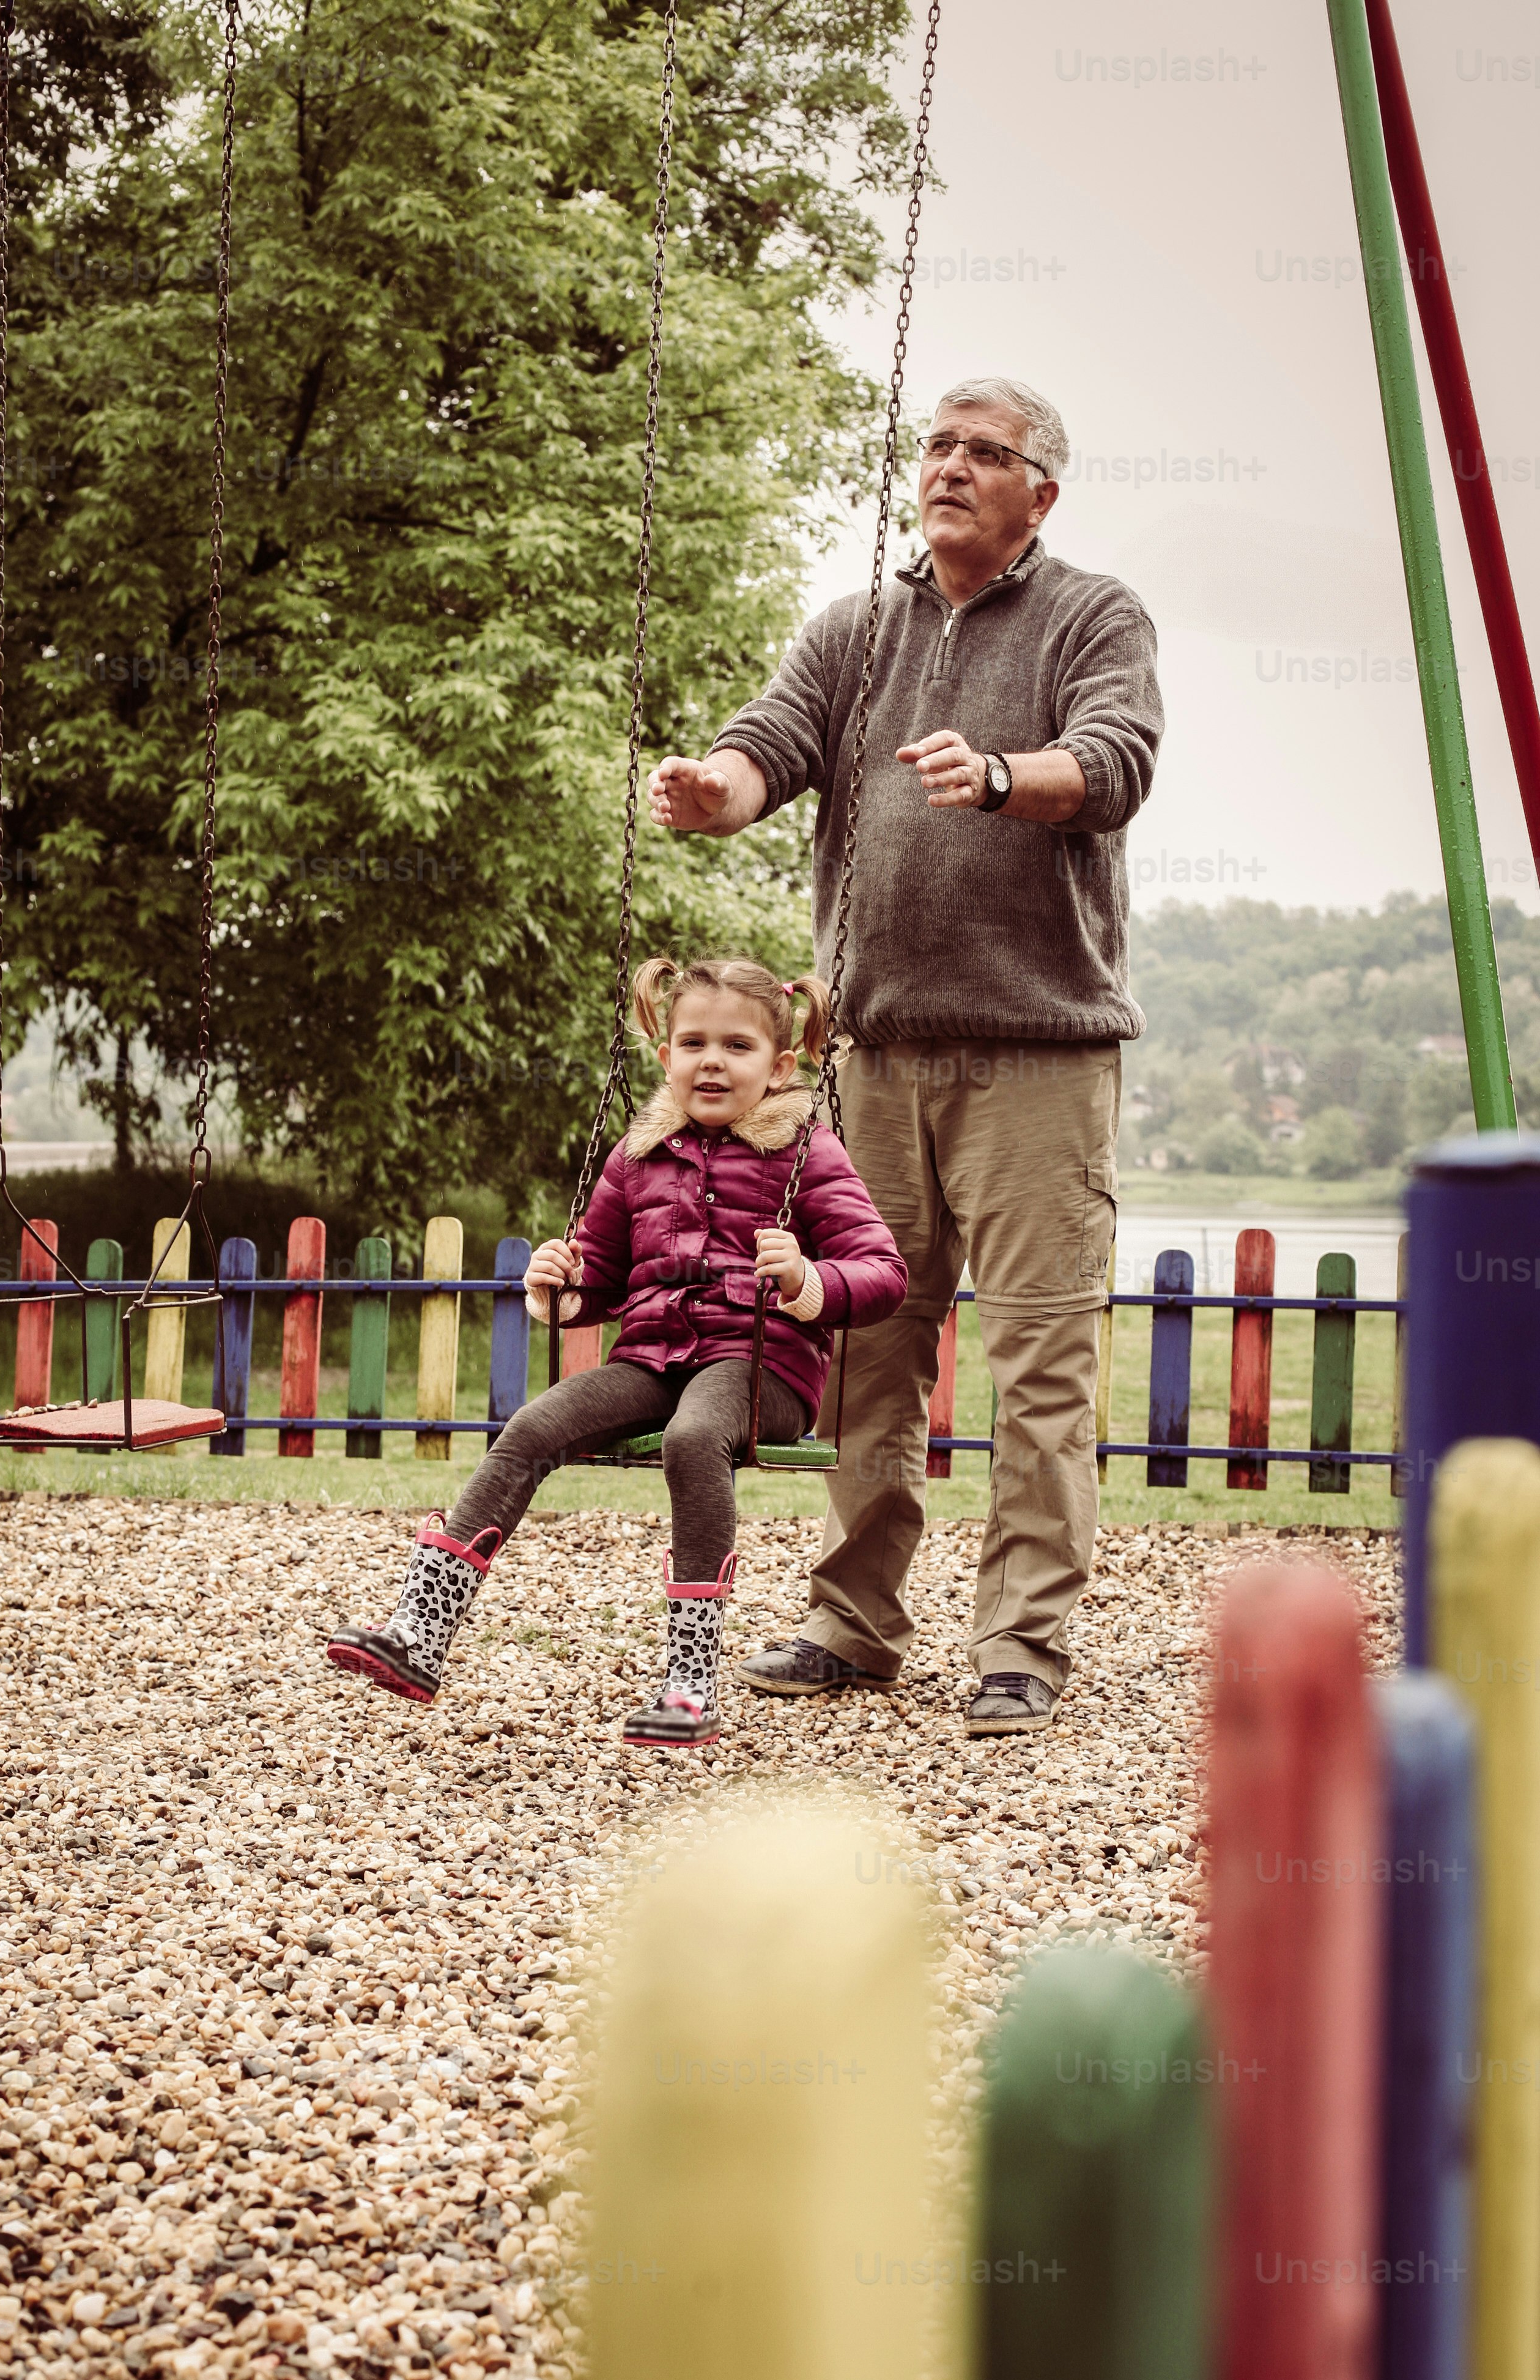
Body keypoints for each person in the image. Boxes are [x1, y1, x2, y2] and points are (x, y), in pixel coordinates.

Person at [648, 376, 1163, 1737]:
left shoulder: (1091, 615)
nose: (948, 467)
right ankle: (854, 1621)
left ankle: (1020, 1643)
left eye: (984, 454)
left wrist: (999, 775)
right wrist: (718, 790)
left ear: (1037, 494)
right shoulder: (857, 628)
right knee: (867, 1345)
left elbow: (1115, 762)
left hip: (1038, 1056)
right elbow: (769, 745)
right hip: (870, 1054)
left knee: (1041, 1361)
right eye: (937, 445)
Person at [328, 955, 908, 1747]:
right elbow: (596, 1282)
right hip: (654, 1360)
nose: (711, 1060)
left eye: (736, 1047)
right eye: (693, 1041)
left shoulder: (807, 1153)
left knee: (695, 1436)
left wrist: (808, 1280)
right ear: (665, 1056)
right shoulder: (636, 1159)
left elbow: (884, 1272)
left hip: (762, 1371)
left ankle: (689, 1683)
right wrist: (555, 1290)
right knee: (534, 1425)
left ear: (778, 1069)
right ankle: (419, 1634)